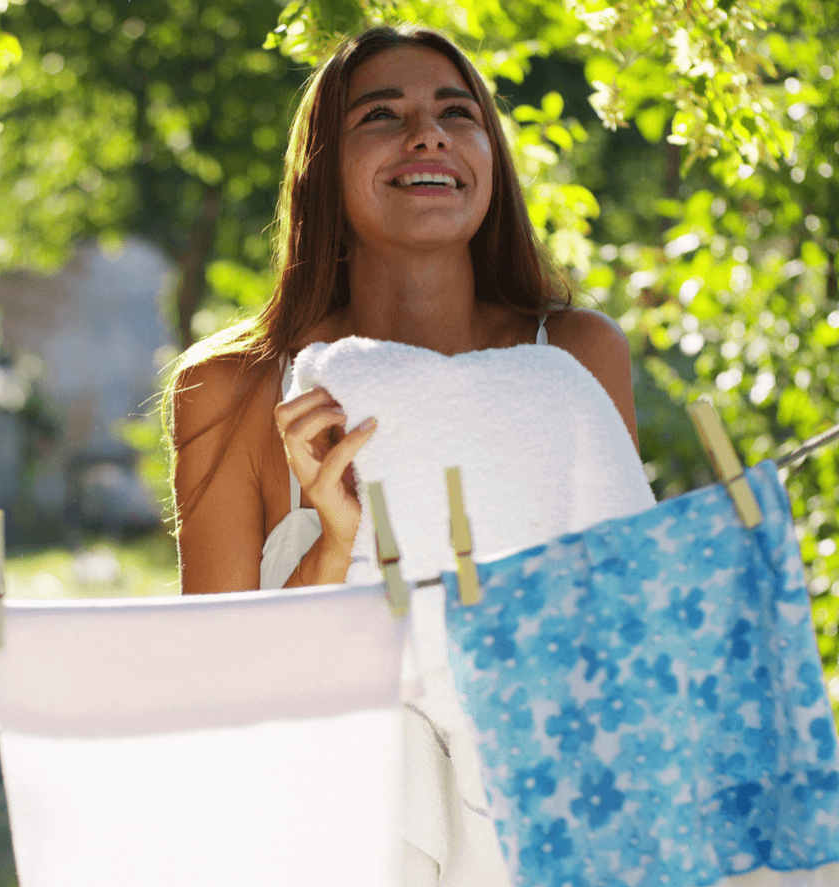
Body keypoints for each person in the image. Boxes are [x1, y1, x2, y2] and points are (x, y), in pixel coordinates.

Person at [167, 24, 640, 596]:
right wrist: (338, 540)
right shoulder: (228, 389)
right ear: (323, 167)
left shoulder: (576, 353)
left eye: (458, 114)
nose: (429, 136)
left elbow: (625, 608)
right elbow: (216, 672)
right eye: (381, 116)